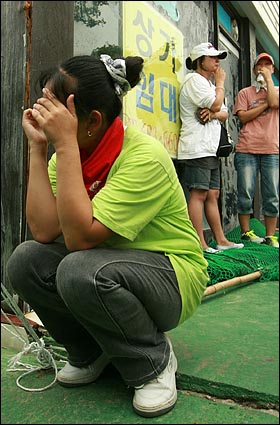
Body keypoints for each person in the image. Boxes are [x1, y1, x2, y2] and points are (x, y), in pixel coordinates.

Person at [6, 54, 209, 418]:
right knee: (25, 261)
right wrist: (39, 149)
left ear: (92, 120)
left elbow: (81, 239)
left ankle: (153, 361)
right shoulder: (72, 154)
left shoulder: (143, 156)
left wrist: (64, 146)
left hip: (172, 277)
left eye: (55, 108)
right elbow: (43, 230)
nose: (43, 115)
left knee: (78, 268)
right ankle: (90, 352)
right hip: (106, 266)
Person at [176, 42, 244, 254]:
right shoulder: (194, 80)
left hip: (210, 148)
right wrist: (221, 83)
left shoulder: (207, 84)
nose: (217, 61)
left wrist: (213, 113)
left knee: (213, 194)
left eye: (218, 58)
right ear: (199, 60)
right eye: (212, 57)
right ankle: (199, 243)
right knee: (199, 193)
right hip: (197, 147)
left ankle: (221, 239)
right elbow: (217, 104)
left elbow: (223, 112)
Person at [233, 52, 279, 248]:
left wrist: (268, 79)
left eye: (267, 65)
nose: (263, 67)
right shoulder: (245, 93)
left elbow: (275, 102)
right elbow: (243, 117)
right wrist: (264, 105)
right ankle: (246, 232)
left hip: (272, 149)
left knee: (272, 195)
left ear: (273, 69)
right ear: (253, 69)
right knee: (245, 193)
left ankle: (270, 235)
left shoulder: (276, 91)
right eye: (260, 65)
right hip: (247, 148)